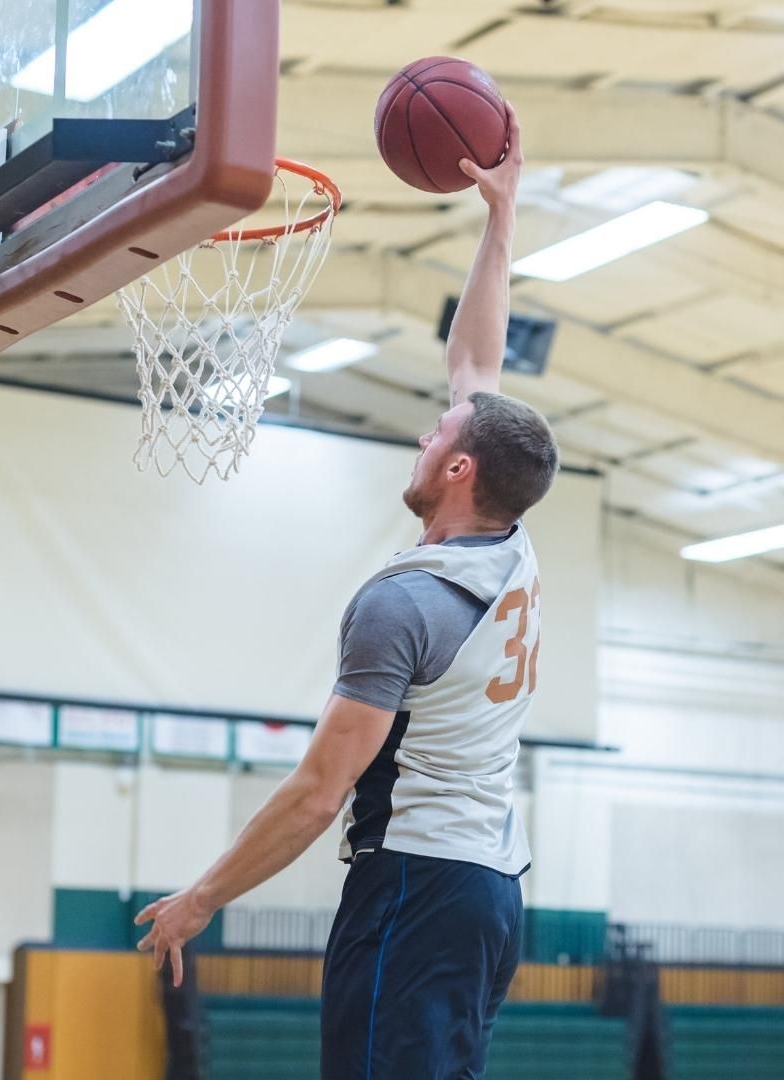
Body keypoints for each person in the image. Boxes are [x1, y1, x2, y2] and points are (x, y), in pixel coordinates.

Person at [136, 103, 560, 1079]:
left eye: (437, 439)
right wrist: (499, 218)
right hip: (490, 892)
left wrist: (205, 896)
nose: (426, 435)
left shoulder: (406, 604)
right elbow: (475, 364)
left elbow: (319, 792)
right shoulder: (512, 542)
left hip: (416, 885)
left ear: (459, 472)